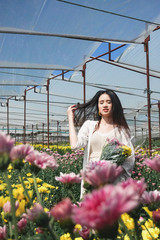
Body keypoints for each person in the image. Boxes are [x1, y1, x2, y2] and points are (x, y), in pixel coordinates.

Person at [67, 89, 135, 197]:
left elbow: (130, 158)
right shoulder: (89, 126)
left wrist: (114, 171)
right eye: (101, 102)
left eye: (109, 102)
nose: (105, 105)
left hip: (112, 180)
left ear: (114, 105)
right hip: (91, 177)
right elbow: (75, 145)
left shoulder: (121, 130)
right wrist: (70, 118)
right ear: (98, 106)